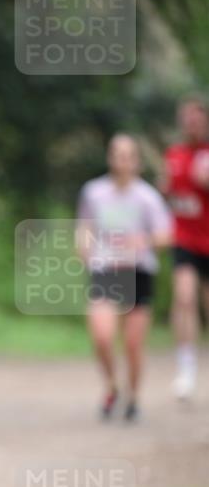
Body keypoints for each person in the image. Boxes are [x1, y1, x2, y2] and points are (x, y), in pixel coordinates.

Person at [76, 134, 172, 421]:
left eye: (128, 155)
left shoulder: (147, 196)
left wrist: (143, 241)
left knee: (132, 345)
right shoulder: (94, 192)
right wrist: (84, 249)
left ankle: (133, 397)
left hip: (138, 272)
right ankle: (111, 387)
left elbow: (166, 234)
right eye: (117, 153)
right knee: (102, 336)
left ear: (137, 161)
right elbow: (84, 227)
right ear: (110, 157)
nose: (122, 160)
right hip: (105, 270)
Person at [160, 95, 209, 399]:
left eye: (196, 117)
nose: (190, 122)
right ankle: (187, 370)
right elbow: (170, 195)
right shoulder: (173, 155)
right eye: (186, 117)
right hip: (184, 240)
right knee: (184, 299)